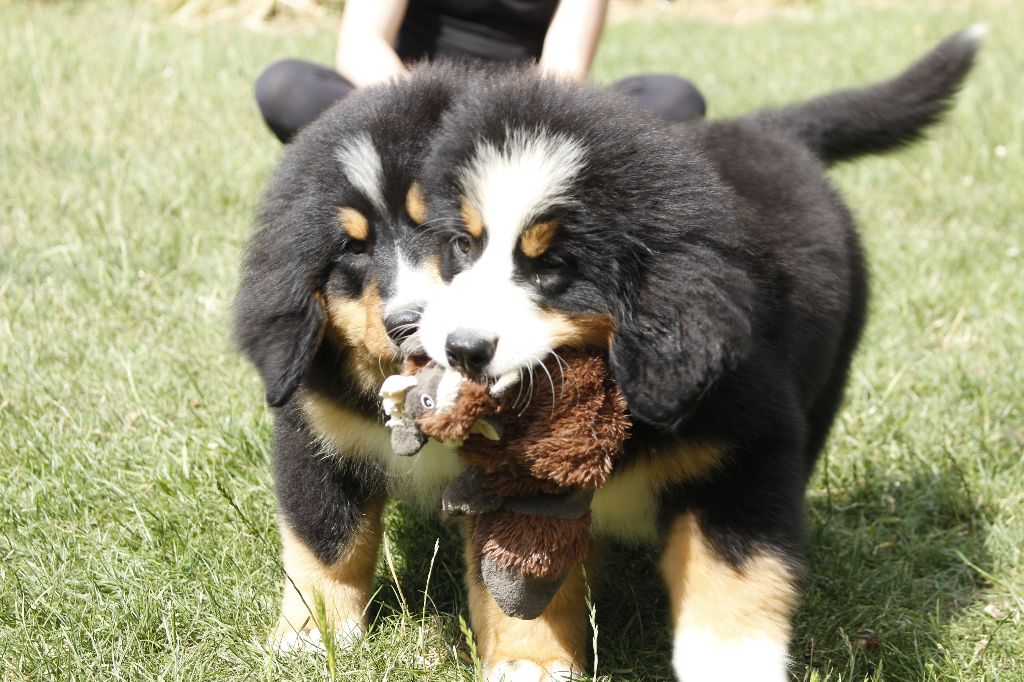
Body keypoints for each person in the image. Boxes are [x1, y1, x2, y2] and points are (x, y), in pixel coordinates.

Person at [255, 0, 706, 143]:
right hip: (410, 109)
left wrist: (501, 124)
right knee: (288, 87)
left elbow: (563, 76)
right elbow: (361, 47)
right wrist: (432, 113)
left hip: (524, 117)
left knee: (673, 100)